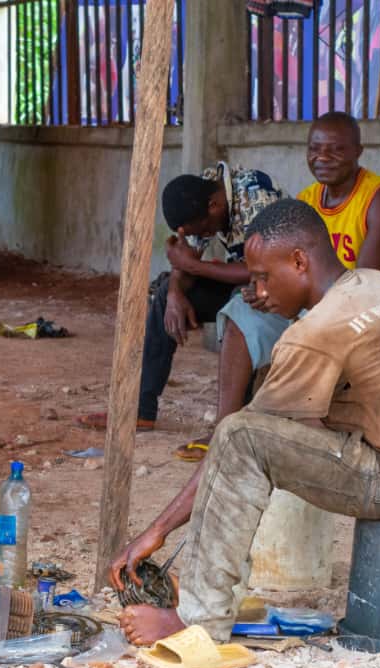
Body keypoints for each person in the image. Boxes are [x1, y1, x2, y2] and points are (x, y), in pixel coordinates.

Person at [110, 199, 380, 646]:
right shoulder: (375, 284)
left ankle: (197, 619)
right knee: (264, 408)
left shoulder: (316, 333)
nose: (259, 292)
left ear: (300, 261)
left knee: (239, 435)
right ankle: (196, 585)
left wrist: (157, 529)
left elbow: (240, 441)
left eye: (264, 277)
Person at [78, 162, 291, 462]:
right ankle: (141, 409)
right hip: (247, 282)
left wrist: (192, 266)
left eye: (204, 229)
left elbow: (262, 270)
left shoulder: (257, 194)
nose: (203, 234)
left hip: (279, 289)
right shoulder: (204, 191)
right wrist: (176, 292)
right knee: (164, 294)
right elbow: (186, 257)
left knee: (239, 301)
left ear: (215, 206)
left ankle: (231, 425)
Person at [298, 111, 380, 286]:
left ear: (358, 151)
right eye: (314, 148)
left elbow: (364, 284)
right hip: (328, 305)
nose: (322, 157)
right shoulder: (306, 199)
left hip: (379, 308)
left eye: (336, 149)